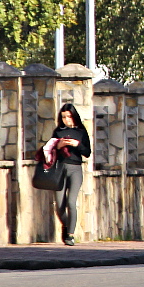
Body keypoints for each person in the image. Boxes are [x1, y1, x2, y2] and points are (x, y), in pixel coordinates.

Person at [52, 103, 91, 246]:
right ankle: (66, 225)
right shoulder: (58, 131)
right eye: (63, 117)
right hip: (60, 169)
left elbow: (87, 152)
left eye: (69, 116)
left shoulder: (81, 131)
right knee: (59, 205)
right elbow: (48, 150)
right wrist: (58, 145)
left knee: (71, 202)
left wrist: (76, 145)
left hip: (75, 169)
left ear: (74, 116)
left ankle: (70, 235)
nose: (66, 119)